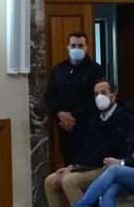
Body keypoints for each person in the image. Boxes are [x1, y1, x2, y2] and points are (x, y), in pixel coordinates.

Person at [37, 79, 134, 207]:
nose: (99, 97)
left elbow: (110, 148)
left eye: (103, 93)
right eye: (96, 93)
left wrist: (76, 168)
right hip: (87, 165)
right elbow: (86, 147)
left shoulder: (123, 117)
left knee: (70, 181)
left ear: (113, 94)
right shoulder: (96, 118)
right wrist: (71, 165)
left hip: (109, 167)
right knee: (51, 181)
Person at [44, 32, 105, 164]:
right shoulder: (59, 69)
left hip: (86, 127)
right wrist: (60, 114)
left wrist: (73, 118)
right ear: (67, 47)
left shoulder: (95, 69)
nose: (76, 49)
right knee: (67, 161)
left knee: (85, 164)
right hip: (63, 128)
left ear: (86, 47)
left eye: (80, 45)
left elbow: (97, 98)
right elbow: (50, 96)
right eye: (73, 45)